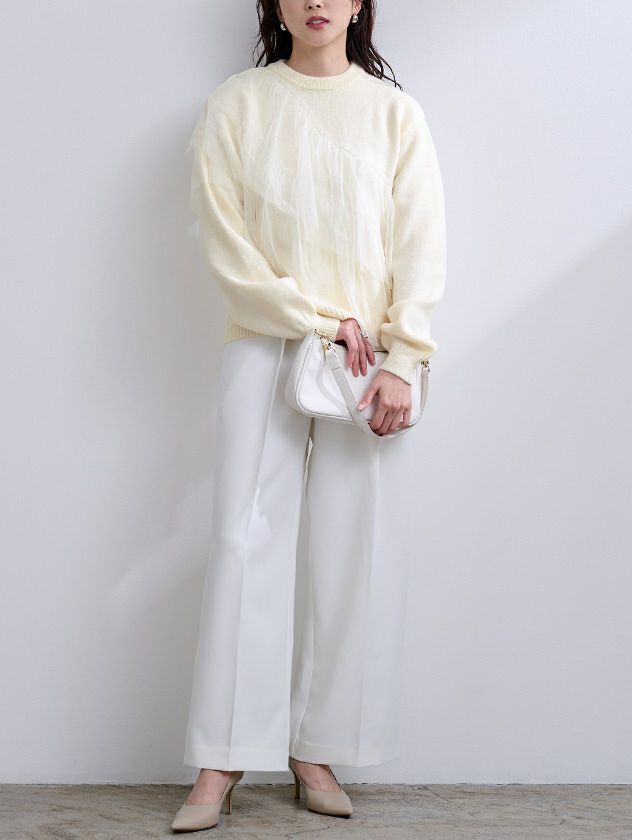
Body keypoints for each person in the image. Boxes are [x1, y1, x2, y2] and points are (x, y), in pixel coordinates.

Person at [171, 0, 446, 831]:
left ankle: (314, 748)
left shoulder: (395, 115)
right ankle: (222, 756)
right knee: (242, 541)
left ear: (360, 3)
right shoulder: (238, 105)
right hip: (267, 344)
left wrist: (404, 358)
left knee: (352, 552)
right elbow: (224, 244)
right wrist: (320, 319)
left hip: (369, 367)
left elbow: (419, 246)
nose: (316, 1)